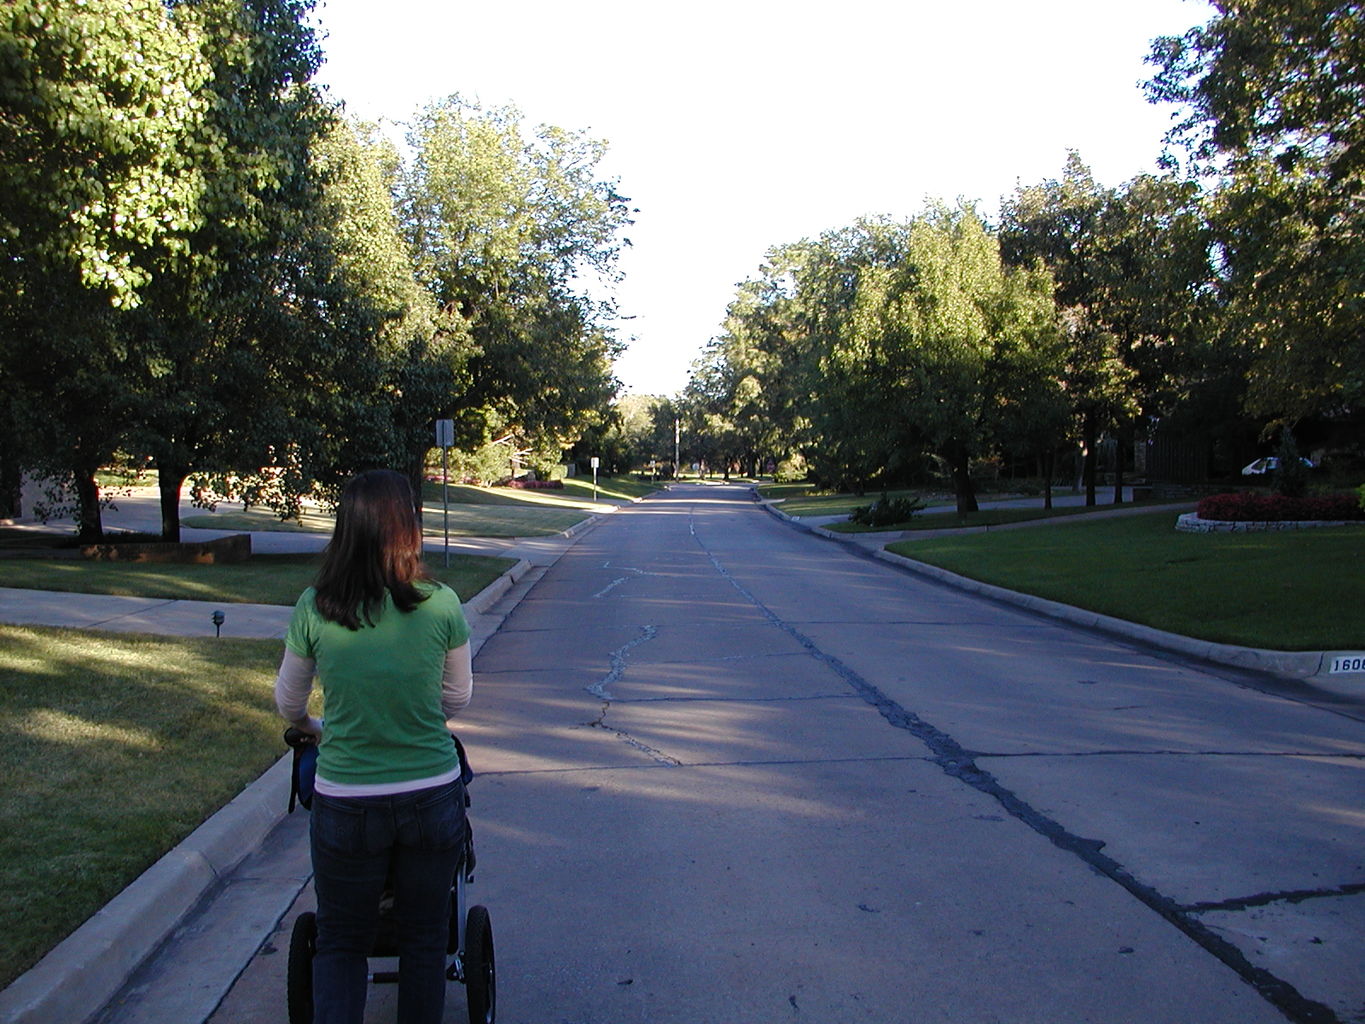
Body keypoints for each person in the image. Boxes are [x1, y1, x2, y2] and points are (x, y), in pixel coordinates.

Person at [275, 469, 474, 1024]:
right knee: (423, 939)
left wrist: (315, 726)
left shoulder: (316, 606)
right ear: (409, 526)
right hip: (431, 794)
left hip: (346, 799)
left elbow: (288, 702)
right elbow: (456, 699)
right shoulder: (441, 604)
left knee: (341, 941)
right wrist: (410, 716)